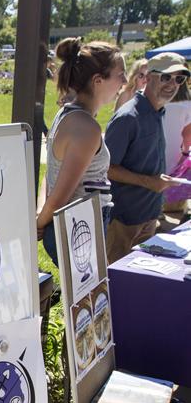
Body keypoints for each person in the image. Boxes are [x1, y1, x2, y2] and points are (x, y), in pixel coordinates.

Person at [35, 38, 126, 267]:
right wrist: (38, 223)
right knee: (86, 302)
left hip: (73, 229)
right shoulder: (86, 128)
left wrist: (39, 214)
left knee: (83, 301)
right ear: (98, 81)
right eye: (120, 75)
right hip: (77, 232)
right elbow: (59, 197)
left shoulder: (67, 114)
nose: (125, 82)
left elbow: (51, 175)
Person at [104, 52, 188, 262]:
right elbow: (106, 168)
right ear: (148, 77)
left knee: (137, 283)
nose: (172, 84)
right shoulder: (128, 117)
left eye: (179, 79)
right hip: (124, 219)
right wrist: (150, 182)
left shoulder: (158, 111)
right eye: (166, 77)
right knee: (115, 283)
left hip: (149, 214)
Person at [162, 79, 191, 217]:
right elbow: (187, 136)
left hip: (157, 149)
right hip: (177, 152)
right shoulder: (188, 105)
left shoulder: (159, 102)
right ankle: (177, 210)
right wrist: (185, 153)